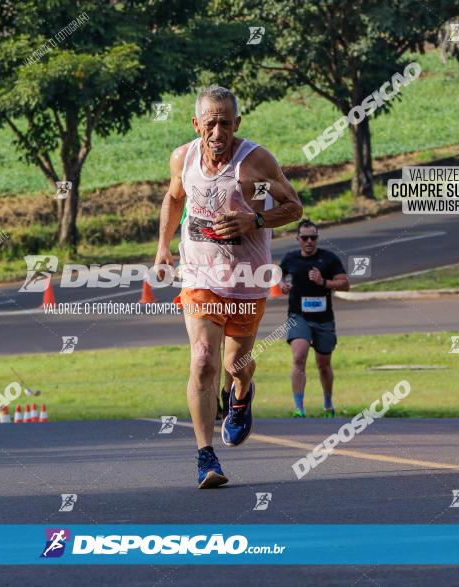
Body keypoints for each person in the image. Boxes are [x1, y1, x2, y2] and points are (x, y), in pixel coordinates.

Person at [155, 85, 302, 488]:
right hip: (199, 277)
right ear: (196, 124)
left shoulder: (254, 162)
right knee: (203, 359)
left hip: (246, 278)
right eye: (209, 124)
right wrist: (163, 250)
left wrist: (254, 221)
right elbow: (173, 197)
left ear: (236, 123)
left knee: (235, 365)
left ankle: (241, 393)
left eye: (225, 123)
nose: (217, 132)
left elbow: (294, 206)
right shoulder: (183, 158)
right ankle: (206, 457)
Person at [279, 220, 350, 417]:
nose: (309, 241)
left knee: (323, 365)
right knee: (299, 356)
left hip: (323, 319)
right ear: (298, 239)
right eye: (305, 238)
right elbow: (278, 277)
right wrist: (282, 285)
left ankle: (327, 405)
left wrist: (323, 282)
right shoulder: (290, 258)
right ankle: (298, 408)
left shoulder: (328, 259)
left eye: (313, 237)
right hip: (298, 316)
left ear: (317, 238)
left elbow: (345, 284)